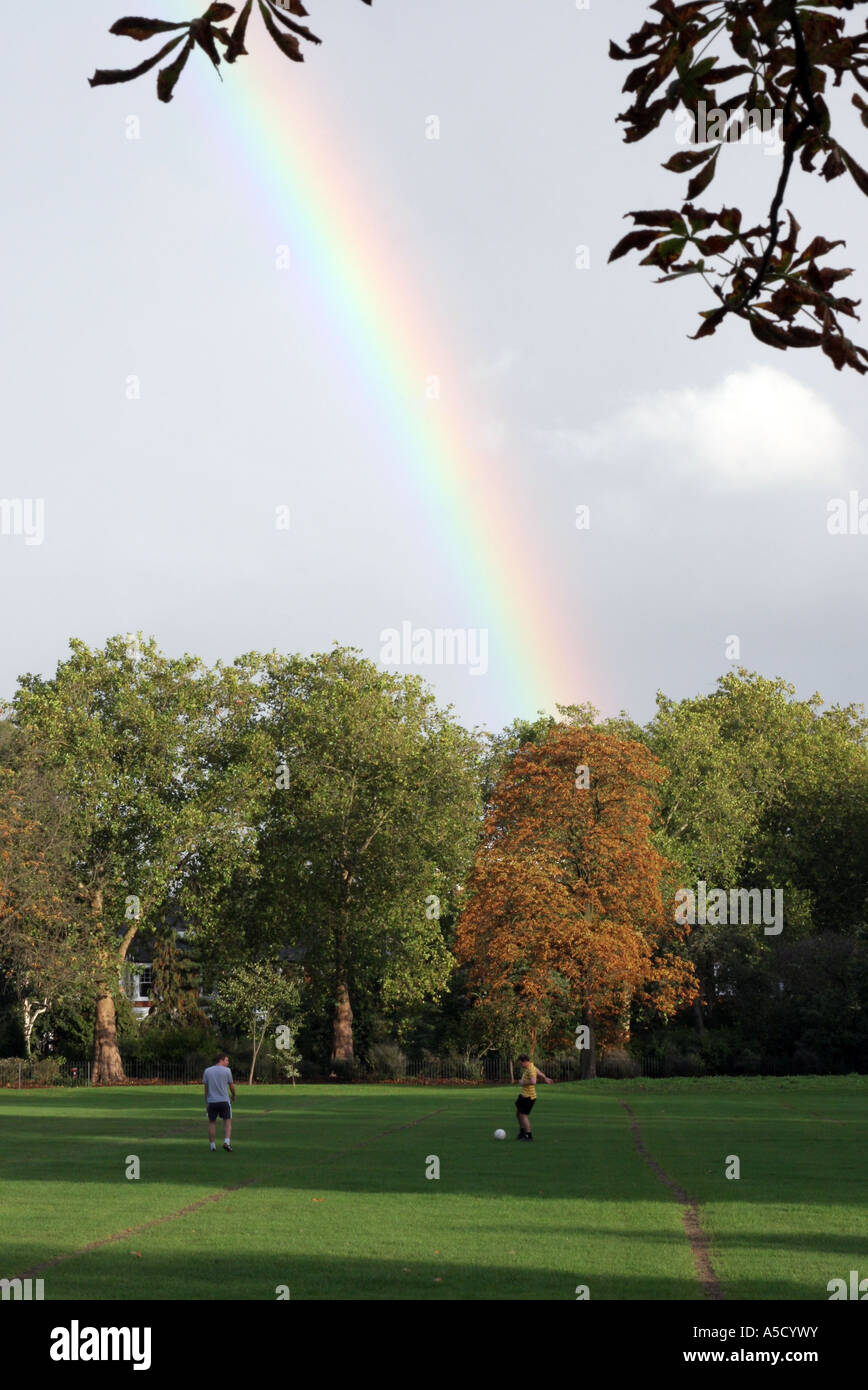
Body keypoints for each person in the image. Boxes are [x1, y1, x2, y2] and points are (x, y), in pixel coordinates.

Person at [515, 1053, 553, 1140]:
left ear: (524, 1061)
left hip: (528, 1097)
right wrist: (545, 1078)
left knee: (523, 1115)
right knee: (518, 1113)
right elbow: (538, 1071)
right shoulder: (530, 1066)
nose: (520, 1065)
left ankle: (528, 1135)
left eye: (521, 1063)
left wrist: (522, 1082)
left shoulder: (530, 1069)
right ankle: (522, 1132)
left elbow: (533, 1081)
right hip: (524, 1095)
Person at [203, 1052, 236, 1152]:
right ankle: (227, 1142)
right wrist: (234, 1095)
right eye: (226, 1060)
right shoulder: (227, 1071)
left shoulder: (207, 1071)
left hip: (212, 1101)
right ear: (221, 1060)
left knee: (212, 1123)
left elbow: (206, 1089)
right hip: (224, 1101)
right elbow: (231, 1086)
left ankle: (212, 1146)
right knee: (227, 1122)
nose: (228, 1062)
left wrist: (207, 1102)